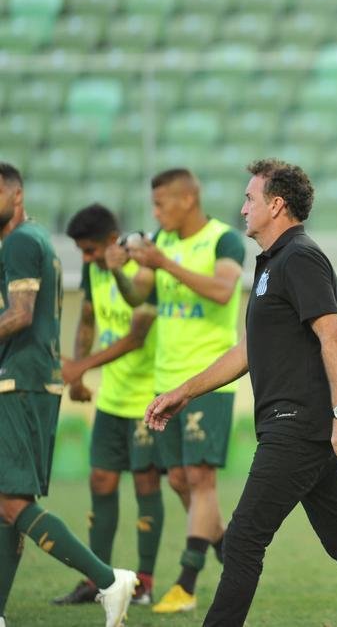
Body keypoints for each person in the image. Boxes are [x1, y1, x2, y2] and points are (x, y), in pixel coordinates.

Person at [145, 159, 337, 626]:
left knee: (243, 539)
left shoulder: (299, 257)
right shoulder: (273, 263)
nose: (242, 208)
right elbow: (248, 350)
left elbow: (334, 333)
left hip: (296, 427)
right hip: (304, 429)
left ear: (276, 205)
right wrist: (185, 392)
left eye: (249, 199)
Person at [0, 163, 137, 627]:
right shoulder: (34, 238)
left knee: (13, 503)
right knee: (6, 503)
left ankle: (108, 580)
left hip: (21, 381)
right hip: (28, 379)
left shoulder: (20, 241)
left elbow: (20, 314)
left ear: (16, 195)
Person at [108, 168, 245, 613]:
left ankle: (186, 583)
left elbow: (223, 290)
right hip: (166, 380)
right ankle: (231, 552)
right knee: (180, 480)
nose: (155, 212)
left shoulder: (223, 240)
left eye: (160, 203)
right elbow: (138, 296)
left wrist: (164, 263)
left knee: (201, 478)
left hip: (209, 380)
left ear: (187, 199)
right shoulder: (161, 242)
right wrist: (119, 273)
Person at [52, 205, 162, 608]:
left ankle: (144, 583)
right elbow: (87, 320)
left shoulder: (145, 267)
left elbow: (136, 337)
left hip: (148, 397)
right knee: (101, 481)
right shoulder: (93, 271)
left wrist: (81, 366)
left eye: (90, 250)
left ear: (112, 240)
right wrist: (78, 377)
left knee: (146, 484)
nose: (86, 258)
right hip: (112, 398)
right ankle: (97, 579)